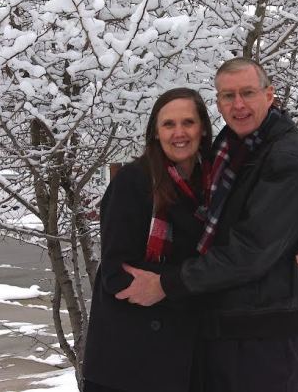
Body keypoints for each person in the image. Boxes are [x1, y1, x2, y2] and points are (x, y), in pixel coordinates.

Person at [117, 58, 298, 392]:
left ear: (270, 95)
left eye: (247, 92)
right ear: (217, 103)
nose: (238, 104)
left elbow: (250, 251)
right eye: (228, 96)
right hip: (228, 328)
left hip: (262, 337)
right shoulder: (232, 147)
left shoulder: (285, 157)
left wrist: (167, 284)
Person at [83, 88, 213, 392]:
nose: (179, 133)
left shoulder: (213, 184)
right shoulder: (134, 181)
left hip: (188, 353)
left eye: (188, 122)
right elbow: (117, 274)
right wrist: (185, 282)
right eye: (168, 124)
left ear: (203, 128)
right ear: (155, 132)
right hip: (130, 362)